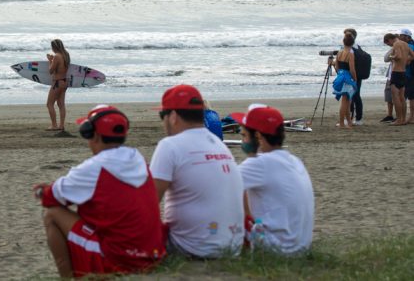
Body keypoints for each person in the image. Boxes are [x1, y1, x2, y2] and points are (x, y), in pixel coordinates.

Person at [33, 105, 165, 278]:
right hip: (152, 255)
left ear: (91, 134)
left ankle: (66, 277)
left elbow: (51, 199)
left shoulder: (94, 168)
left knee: (52, 215)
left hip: (119, 260)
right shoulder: (138, 160)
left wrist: (42, 192)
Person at [150, 84, 244, 258]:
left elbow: (149, 201)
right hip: (232, 246)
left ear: (173, 116)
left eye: (162, 115)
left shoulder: (169, 146)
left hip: (191, 248)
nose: (162, 121)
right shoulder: (219, 145)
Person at [230, 104, 314, 255]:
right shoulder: (294, 161)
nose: (242, 141)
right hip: (300, 246)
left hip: (278, 248)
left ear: (258, 137)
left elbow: (219, 187)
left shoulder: (260, 164)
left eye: (243, 136)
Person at [384, 32, 414, 125]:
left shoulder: (396, 44)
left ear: (390, 39)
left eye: (388, 43)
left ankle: (399, 120)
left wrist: (391, 57)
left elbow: (398, 56)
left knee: (395, 97)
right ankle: (403, 119)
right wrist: (406, 61)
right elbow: (412, 55)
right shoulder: (405, 44)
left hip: (396, 72)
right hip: (403, 72)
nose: (390, 45)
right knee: (402, 97)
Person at [332, 33, 357, 129]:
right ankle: (342, 123)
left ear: (343, 42)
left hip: (340, 75)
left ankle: (349, 122)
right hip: (347, 77)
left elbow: (337, 67)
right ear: (353, 43)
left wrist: (340, 74)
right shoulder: (350, 54)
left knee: (347, 100)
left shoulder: (339, 53)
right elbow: (352, 69)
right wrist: (354, 78)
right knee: (345, 102)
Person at [46, 39, 70, 131]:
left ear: (54, 47)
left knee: (49, 104)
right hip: (65, 82)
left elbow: (51, 71)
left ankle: (54, 125)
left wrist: (50, 61)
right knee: (61, 104)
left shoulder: (57, 56)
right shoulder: (66, 55)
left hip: (57, 82)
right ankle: (61, 125)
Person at [343, 28, 364, 125]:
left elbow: (349, 65)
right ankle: (358, 119)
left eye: (346, 35)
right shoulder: (358, 47)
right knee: (356, 96)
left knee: (349, 97)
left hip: (351, 75)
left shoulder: (350, 49)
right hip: (358, 75)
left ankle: (349, 119)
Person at [398, 28, 414, 123]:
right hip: (410, 73)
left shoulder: (409, 46)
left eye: (402, 36)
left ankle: (411, 117)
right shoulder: (410, 44)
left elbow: (408, 61)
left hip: (409, 74)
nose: (400, 37)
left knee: (411, 96)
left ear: (407, 37)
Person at [380, 47, 396, 123]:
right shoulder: (394, 49)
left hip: (397, 74)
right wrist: (393, 49)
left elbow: (386, 58)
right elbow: (386, 58)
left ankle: (399, 116)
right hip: (390, 75)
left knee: (397, 97)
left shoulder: (403, 48)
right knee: (388, 95)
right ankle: (390, 115)